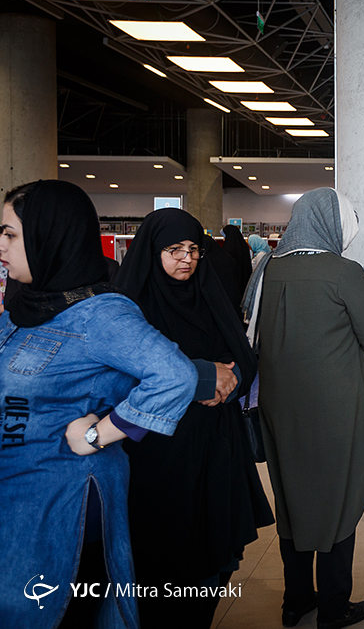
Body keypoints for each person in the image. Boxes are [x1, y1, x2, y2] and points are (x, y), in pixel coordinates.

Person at [0, 180, 197, 629]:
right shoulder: (26, 306)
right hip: (15, 495)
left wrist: (99, 433)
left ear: (51, 234)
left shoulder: (101, 315)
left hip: (59, 503)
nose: (2, 245)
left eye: (11, 234)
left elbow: (175, 375)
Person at [115, 208, 274, 629]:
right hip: (156, 453)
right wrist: (204, 378)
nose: (186, 259)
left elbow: (242, 353)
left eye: (193, 250)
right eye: (173, 250)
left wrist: (233, 378)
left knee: (213, 552)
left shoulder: (208, 292)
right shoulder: (127, 306)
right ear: (151, 251)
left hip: (213, 445)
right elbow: (125, 374)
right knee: (165, 555)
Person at [244, 188, 364, 629]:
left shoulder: (268, 268)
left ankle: (295, 602)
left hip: (280, 407)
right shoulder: (343, 272)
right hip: (336, 409)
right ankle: (333, 607)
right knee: (338, 500)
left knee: (292, 498)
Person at [222, 224, 253, 296]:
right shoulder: (244, 247)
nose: (223, 239)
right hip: (245, 285)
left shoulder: (227, 249)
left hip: (232, 288)